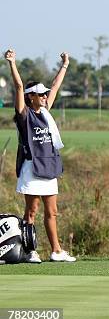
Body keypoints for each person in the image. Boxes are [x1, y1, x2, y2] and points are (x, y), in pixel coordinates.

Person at [5, 49, 76, 263]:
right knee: (32, 211)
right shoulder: (24, 115)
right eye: (40, 94)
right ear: (30, 97)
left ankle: (56, 251)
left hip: (48, 168)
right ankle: (30, 251)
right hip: (32, 168)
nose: (45, 97)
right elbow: (18, 86)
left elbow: (55, 86)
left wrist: (64, 65)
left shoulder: (45, 112)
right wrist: (12, 63)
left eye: (45, 94)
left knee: (52, 212)